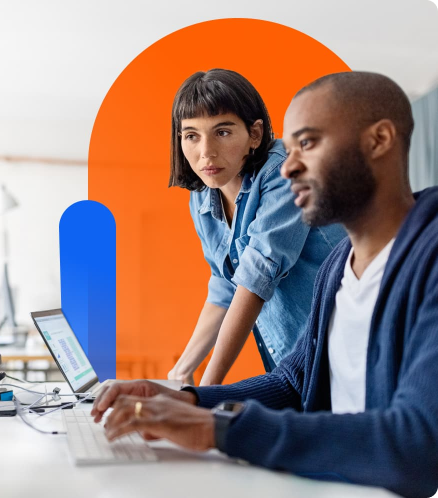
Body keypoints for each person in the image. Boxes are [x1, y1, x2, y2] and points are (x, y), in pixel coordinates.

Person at [91, 71, 438, 498]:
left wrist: (220, 427)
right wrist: (190, 400)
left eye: (306, 144)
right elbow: (293, 383)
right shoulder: (336, 268)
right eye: (289, 149)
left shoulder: (430, 258)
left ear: (379, 140)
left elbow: (419, 443)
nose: (288, 167)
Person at [167, 69, 345, 385]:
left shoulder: (286, 172)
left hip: (345, 351)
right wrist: (181, 372)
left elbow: (257, 275)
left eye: (222, 132)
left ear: (255, 134)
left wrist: (205, 392)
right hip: (294, 362)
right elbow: (225, 284)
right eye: (191, 135)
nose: (205, 151)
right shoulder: (203, 194)